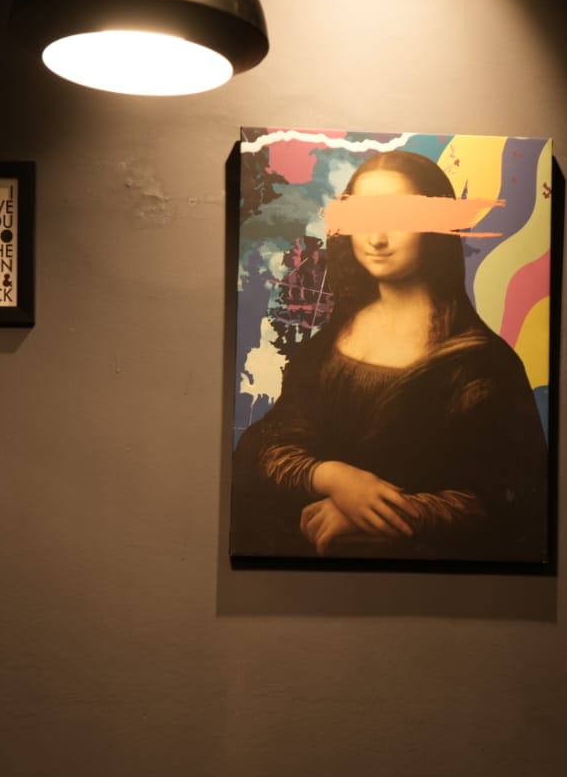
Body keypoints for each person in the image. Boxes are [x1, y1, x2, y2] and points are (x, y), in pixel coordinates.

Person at [230, 149, 549, 562]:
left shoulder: (480, 364)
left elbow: (506, 496)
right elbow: (269, 445)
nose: (376, 238)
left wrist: (379, 516)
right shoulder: (329, 343)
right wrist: (334, 478)